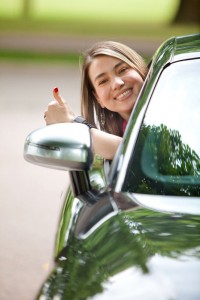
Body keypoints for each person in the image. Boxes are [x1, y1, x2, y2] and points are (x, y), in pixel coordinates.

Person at [44, 41, 148, 160]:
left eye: (123, 69)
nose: (117, 84)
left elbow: (137, 153)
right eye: (103, 81)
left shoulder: (168, 112)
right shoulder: (121, 130)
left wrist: (72, 125)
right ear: (98, 98)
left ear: (139, 69)